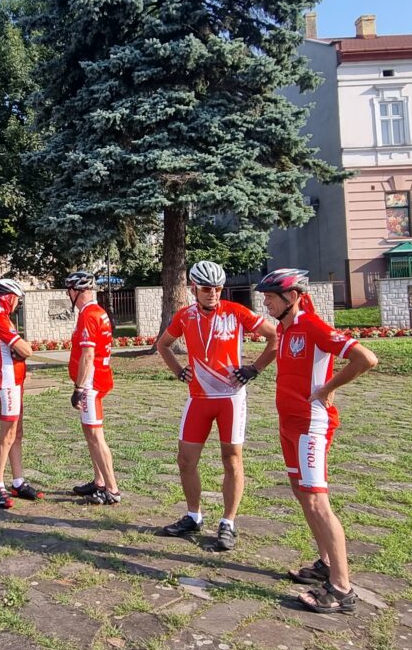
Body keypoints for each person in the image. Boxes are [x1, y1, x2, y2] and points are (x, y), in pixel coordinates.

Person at [256, 268, 378, 614]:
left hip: (310, 425)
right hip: (289, 425)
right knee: (301, 493)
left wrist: (328, 388)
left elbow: (366, 358)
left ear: (292, 297)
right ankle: (326, 563)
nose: (265, 303)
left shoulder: (311, 325)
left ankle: (341, 588)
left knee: (317, 501)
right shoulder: (285, 328)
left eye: (270, 297)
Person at [156, 260, 278, 550]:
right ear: (194, 288)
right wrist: (178, 371)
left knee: (231, 460)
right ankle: (193, 516)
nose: (212, 293)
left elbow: (275, 336)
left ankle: (228, 523)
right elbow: (163, 344)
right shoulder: (185, 316)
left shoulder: (236, 312)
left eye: (218, 289)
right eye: (206, 289)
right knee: (185, 460)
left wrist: (254, 369)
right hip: (198, 399)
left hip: (230, 398)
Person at [0, 278, 42, 509]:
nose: (17, 304)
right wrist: (24, 349)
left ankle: (18, 481)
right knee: (7, 435)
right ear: (9, 297)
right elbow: (26, 350)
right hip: (6, 382)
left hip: (13, 381)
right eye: (17, 299)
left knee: (17, 432)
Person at [65, 271, 121, 505]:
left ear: (75, 292)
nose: (68, 295)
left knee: (96, 436)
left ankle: (112, 489)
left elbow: (88, 355)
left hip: (91, 383)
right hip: (98, 378)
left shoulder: (88, 315)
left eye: (69, 290)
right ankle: (99, 481)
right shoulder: (98, 312)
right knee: (89, 433)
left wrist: (79, 388)